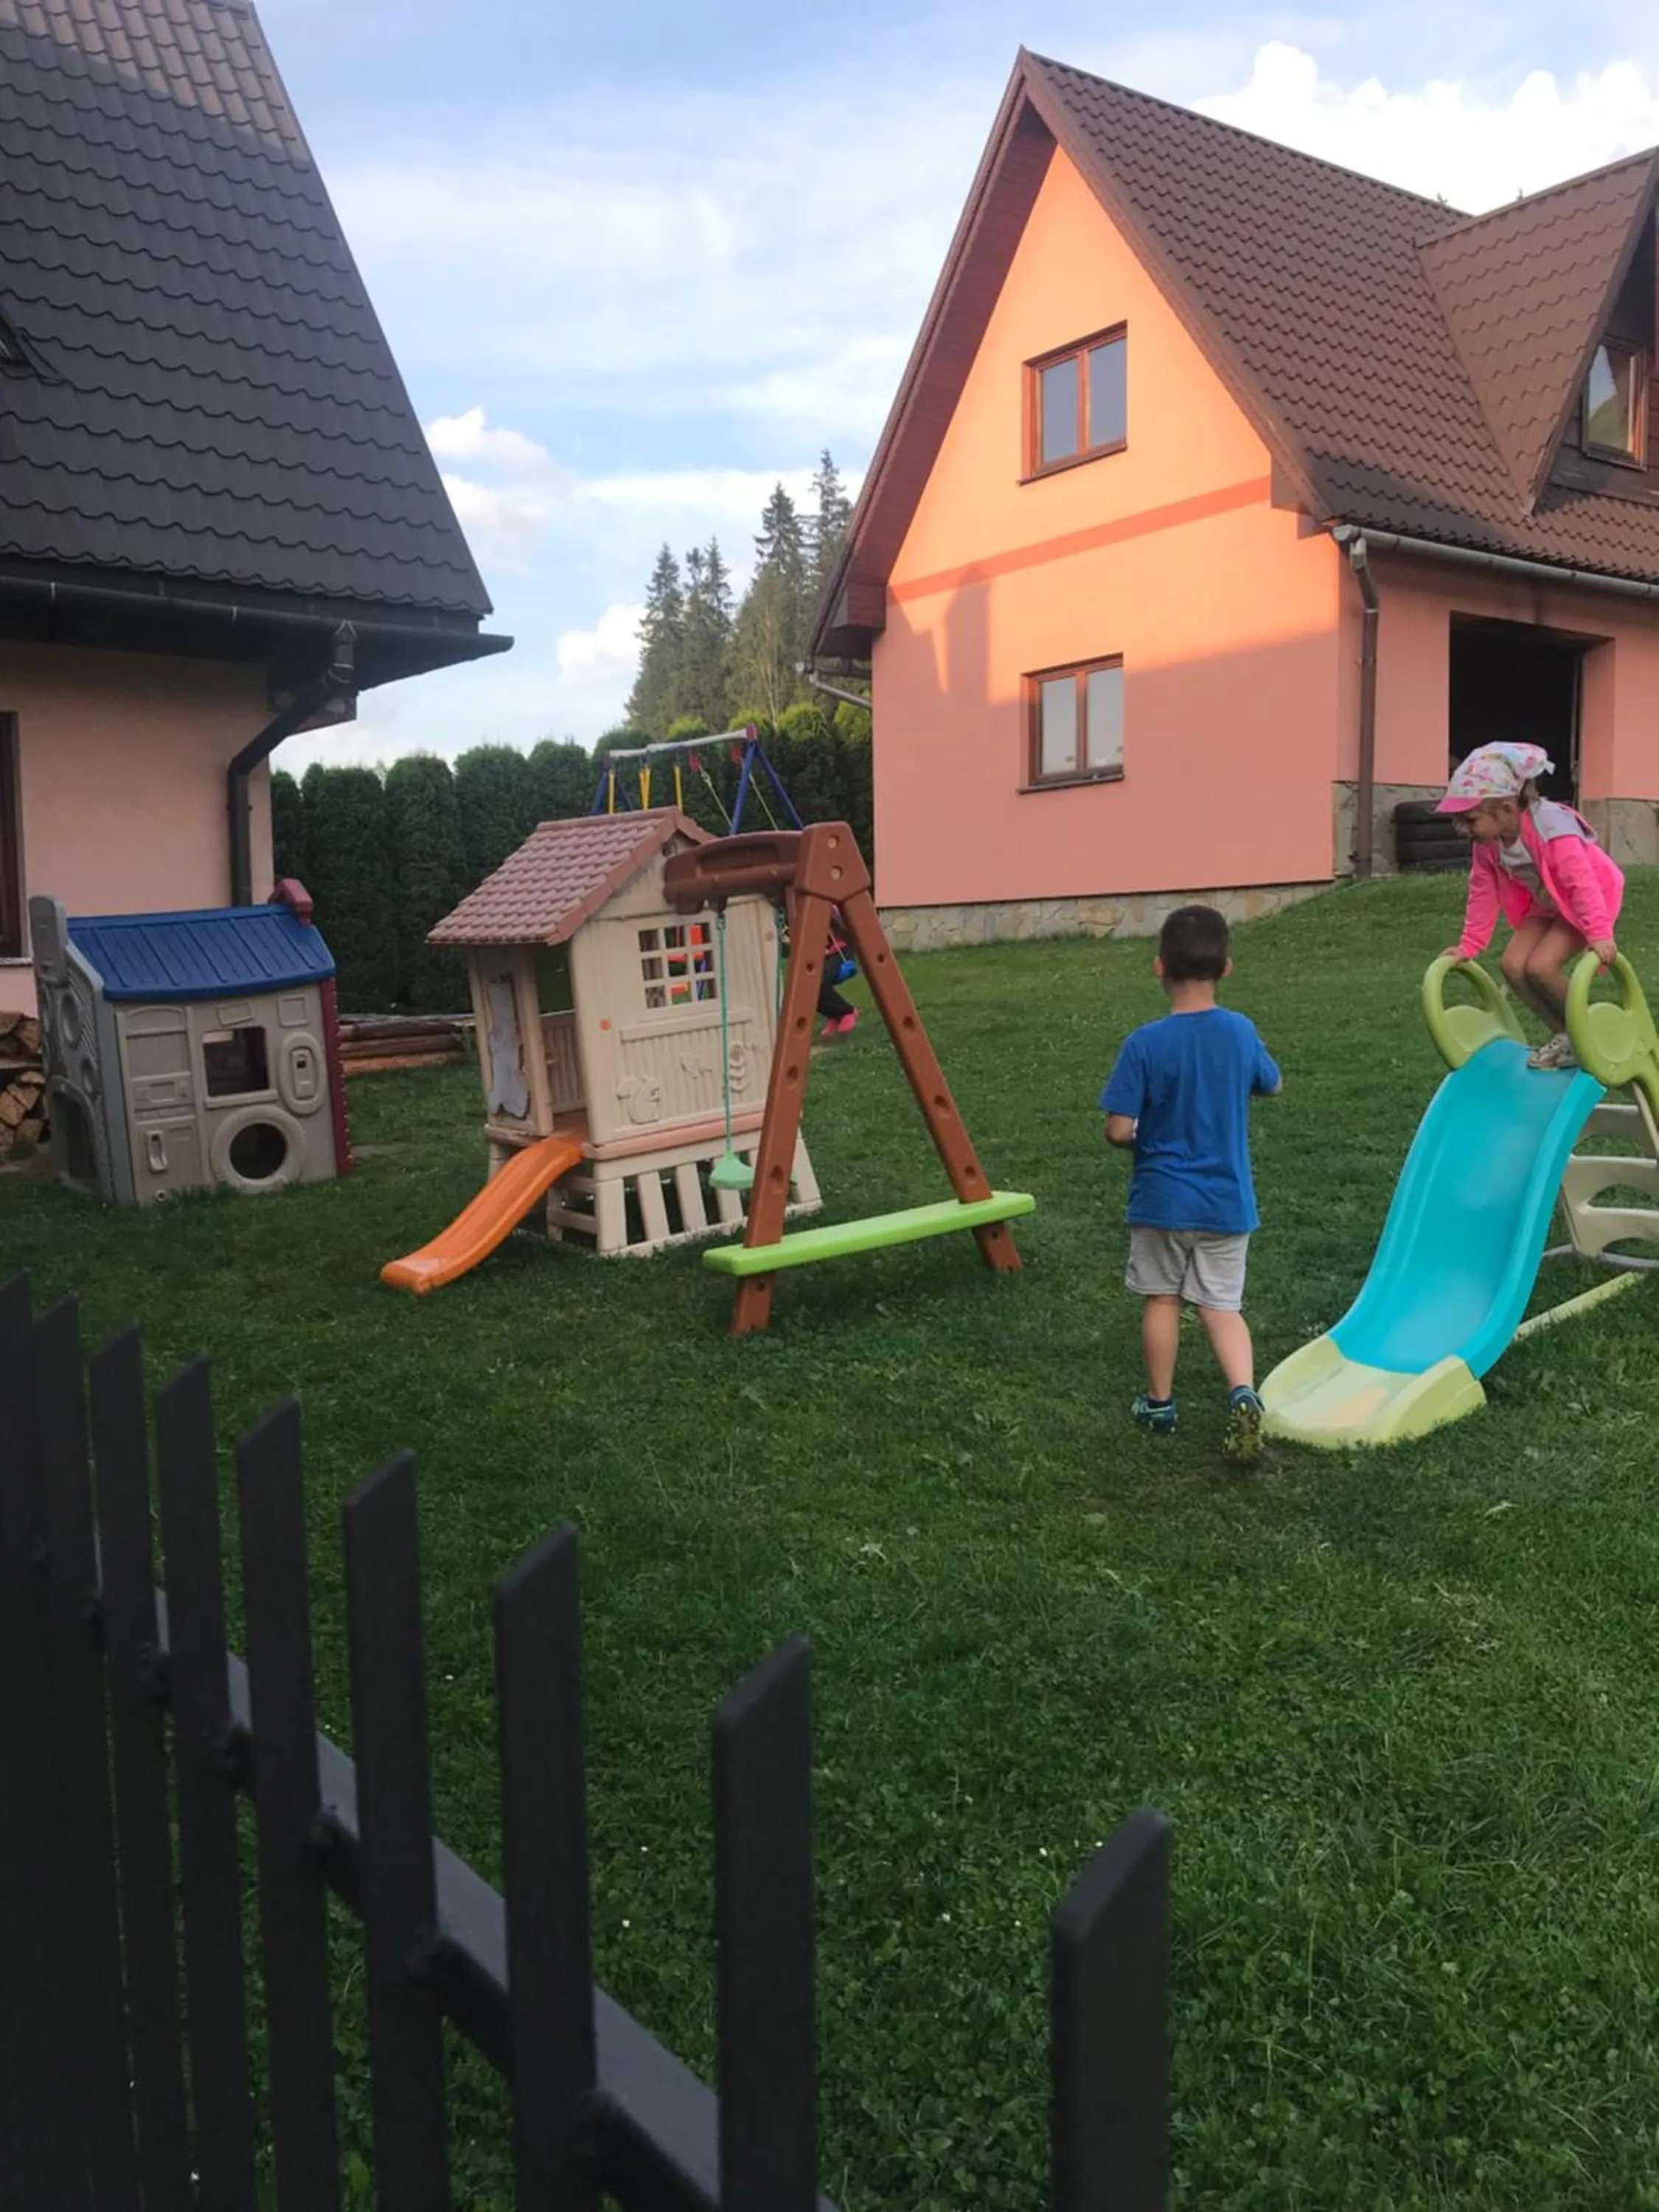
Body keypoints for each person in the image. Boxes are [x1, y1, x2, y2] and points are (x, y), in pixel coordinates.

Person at [1101, 905, 1281, 1462]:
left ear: (1159, 967)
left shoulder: (1144, 1044)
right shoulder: (1240, 1031)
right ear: (1227, 968)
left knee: (1163, 1298)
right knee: (1221, 1306)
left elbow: (1118, 1130)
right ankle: (1243, 1393)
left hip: (1161, 1201)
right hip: (1227, 1202)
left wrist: (1138, 1138)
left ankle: (1160, 1404)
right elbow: (1271, 1084)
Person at [1437, 742, 1622, 1071]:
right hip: (1546, 904)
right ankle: (1565, 1035)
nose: (1463, 829)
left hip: (1584, 903)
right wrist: (1469, 946)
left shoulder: (1551, 827)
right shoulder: (1488, 845)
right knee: (1512, 966)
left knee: (1540, 968)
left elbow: (1581, 883)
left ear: (1506, 809)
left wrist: (1599, 934)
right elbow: (1482, 891)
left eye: (1469, 819)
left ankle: (1591, 1035)